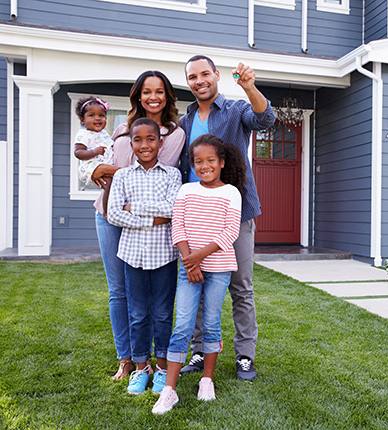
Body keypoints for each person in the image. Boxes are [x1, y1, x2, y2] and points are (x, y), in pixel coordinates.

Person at [178, 55, 275, 380]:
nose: (199, 80)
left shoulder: (234, 110)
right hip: (195, 216)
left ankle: (245, 356)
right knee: (196, 282)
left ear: (216, 75)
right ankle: (198, 350)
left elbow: (265, 119)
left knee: (241, 287)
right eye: (193, 76)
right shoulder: (186, 120)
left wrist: (249, 87)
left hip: (235, 213)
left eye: (205, 73)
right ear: (188, 82)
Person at [90, 71, 186, 381]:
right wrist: (99, 169)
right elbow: (116, 170)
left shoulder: (175, 134)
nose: (153, 97)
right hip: (108, 213)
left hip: (150, 227)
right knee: (119, 291)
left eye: (160, 91)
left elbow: (156, 169)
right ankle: (128, 359)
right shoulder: (120, 129)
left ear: (167, 96)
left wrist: (115, 176)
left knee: (155, 303)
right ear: (138, 95)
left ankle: (152, 362)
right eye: (147, 91)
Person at [152, 134, 245, 414]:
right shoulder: (186, 191)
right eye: (198, 161)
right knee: (182, 324)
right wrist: (189, 262)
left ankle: (207, 379)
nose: (204, 166)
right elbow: (177, 227)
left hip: (219, 268)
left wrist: (198, 258)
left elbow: (230, 232)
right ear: (192, 164)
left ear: (221, 162)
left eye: (210, 161)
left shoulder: (231, 193)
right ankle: (169, 390)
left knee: (212, 322)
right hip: (189, 267)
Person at [107, 118, 182, 395]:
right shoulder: (123, 176)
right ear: (131, 144)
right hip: (132, 256)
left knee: (162, 314)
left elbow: (172, 208)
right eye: (138, 140)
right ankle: (141, 368)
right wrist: (153, 220)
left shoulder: (172, 175)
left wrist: (134, 207)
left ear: (160, 143)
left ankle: (162, 368)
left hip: (164, 256)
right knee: (137, 314)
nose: (145, 145)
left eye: (151, 139)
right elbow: (115, 213)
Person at [73, 96, 114, 214]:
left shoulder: (104, 133)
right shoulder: (83, 134)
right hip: (90, 166)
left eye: (101, 115)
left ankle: (114, 207)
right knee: (109, 185)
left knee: (113, 184)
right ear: (82, 119)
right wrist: (94, 152)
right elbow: (78, 152)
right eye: (91, 115)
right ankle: (106, 211)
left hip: (103, 163)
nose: (97, 118)